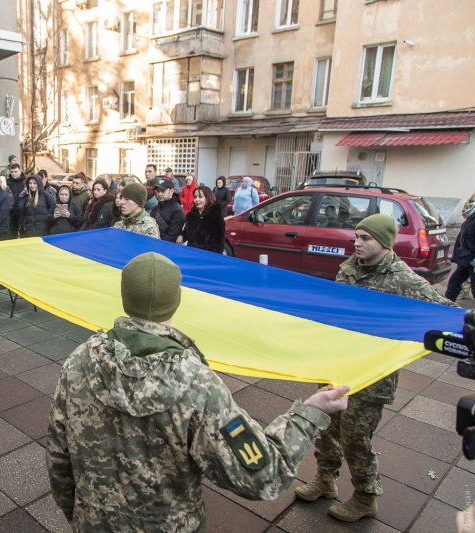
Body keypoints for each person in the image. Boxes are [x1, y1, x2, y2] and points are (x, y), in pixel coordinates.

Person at [47, 252, 350, 532]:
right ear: (176, 300)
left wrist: (75, 513)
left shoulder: (79, 361)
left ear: (126, 297)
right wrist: (310, 413)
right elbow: (262, 476)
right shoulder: (198, 383)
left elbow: (58, 456)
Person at [295, 214, 455, 522]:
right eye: (356, 236)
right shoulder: (349, 270)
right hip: (337, 365)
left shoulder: (403, 279)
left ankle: (365, 497)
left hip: (371, 376)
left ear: (383, 242)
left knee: (355, 439)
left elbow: (445, 313)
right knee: (326, 428)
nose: (357, 243)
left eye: (365, 238)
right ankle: (325, 479)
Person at [177, 186, 225, 253]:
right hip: (190, 254)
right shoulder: (190, 216)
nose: (197, 199)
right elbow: (187, 231)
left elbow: (218, 246)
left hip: (206, 257)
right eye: (195, 197)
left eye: (200, 196)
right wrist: (181, 235)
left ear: (208, 197)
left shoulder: (216, 217)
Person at [445, 207, 475, 302]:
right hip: (467, 258)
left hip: (471, 258)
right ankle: (447, 306)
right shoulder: (472, 218)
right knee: (454, 282)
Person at [151, 178, 186, 243]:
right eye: (158, 191)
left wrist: (156, 244)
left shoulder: (177, 211)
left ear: (171, 191)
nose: (159, 194)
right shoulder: (155, 208)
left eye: (163, 191)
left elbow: (172, 236)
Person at [6, 164, 26, 238]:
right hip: (10, 211)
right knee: (10, 233)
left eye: (15, 171)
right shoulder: (7, 182)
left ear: (20, 171)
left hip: (21, 210)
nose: (14, 174)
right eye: (12, 172)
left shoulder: (25, 182)